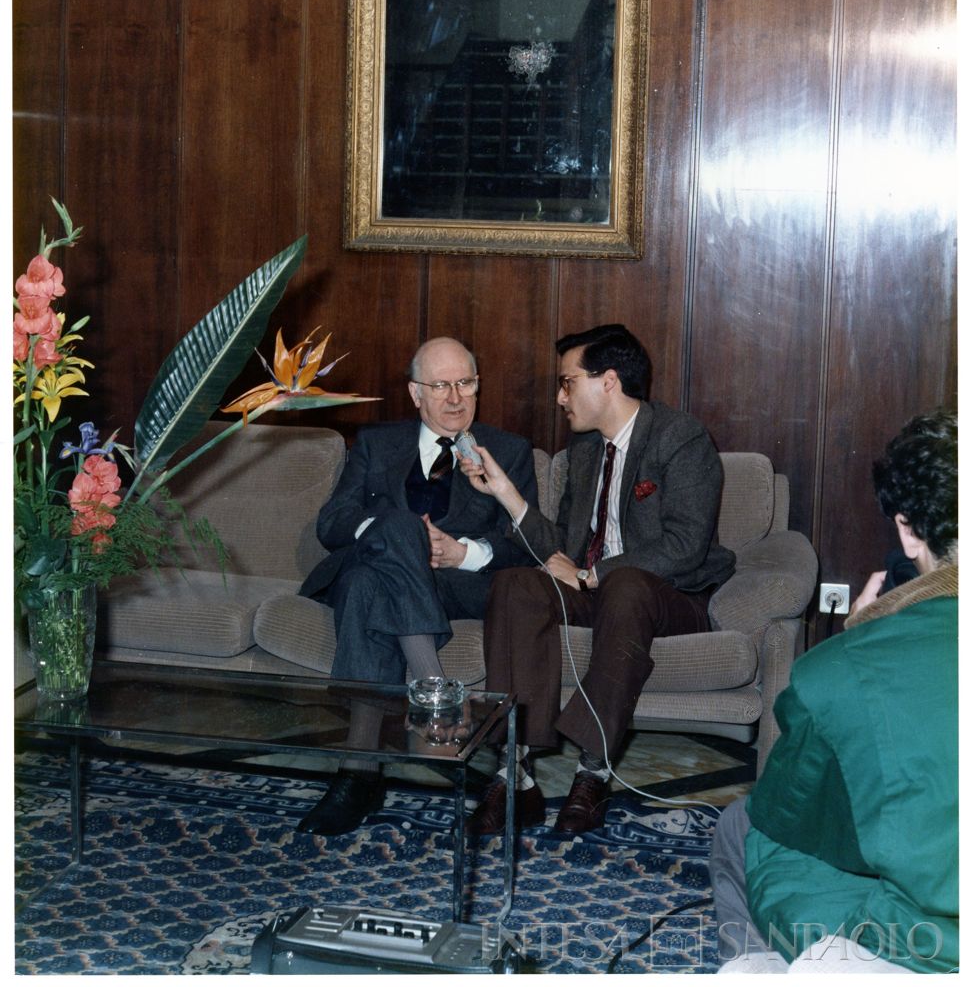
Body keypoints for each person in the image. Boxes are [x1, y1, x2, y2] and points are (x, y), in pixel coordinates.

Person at [457, 324, 736, 836]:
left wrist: (592, 575)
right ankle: (514, 773)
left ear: (608, 381)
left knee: (626, 583)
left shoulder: (681, 437)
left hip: (668, 596)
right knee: (516, 585)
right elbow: (561, 547)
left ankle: (593, 770)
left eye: (568, 382)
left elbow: (686, 544)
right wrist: (505, 493)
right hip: (597, 592)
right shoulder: (584, 453)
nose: (561, 397)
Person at [709, 409, 958, 973]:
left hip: (926, 944)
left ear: (909, 530)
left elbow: (789, 812)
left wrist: (864, 643)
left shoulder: (840, 668)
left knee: (741, 826)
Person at [296, 336, 538, 835]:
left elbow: (525, 542)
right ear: (414, 394)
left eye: (466, 383)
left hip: (455, 586)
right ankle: (432, 686)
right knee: (386, 545)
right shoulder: (376, 444)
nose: (455, 398)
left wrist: (463, 553)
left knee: (368, 584)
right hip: (382, 570)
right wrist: (392, 534)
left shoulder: (508, 452)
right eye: (441, 385)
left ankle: (358, 773)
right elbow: (333, 523)